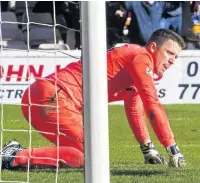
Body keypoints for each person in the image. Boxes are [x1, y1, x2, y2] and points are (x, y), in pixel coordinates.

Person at [0, 29, 187, 169]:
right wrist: (173, 149)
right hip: (53, 97)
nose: (172, 61)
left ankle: (15, 153)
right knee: (93, 155)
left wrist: (148, 149)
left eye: (175, 57)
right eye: (169, 53)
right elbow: (152, 104)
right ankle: (14, 156)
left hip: (45, 96)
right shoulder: (142, 57)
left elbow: (134, 109)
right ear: (153, 47)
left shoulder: (135, 63)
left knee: (81, 156)